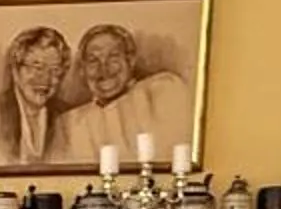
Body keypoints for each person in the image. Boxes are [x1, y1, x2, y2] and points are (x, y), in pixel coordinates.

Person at [54, 22, 193, 164]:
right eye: (93, 60)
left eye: (113, 57)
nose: (104, 69)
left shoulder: (161, 90)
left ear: (130, 60)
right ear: (83, 69)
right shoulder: (69, 123)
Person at [0, 25, 72, 167]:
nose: (45, 79)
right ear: (16, 70)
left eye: (54, 70)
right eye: (37, 67)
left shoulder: (67, 116)